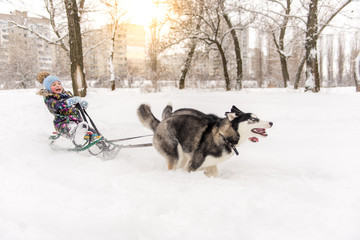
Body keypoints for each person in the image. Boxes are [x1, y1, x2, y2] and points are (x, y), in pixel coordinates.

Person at [37, 72, 91, 145]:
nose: (57, 86)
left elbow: (74, 101)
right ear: (48, 88)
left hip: (78, 122)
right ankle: (76, 137)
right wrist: (68, 102)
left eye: (59, 83)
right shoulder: (49, 99)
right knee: (72, 127)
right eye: (54, 85)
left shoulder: (67, 95)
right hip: (63, 123)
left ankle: (103, 144)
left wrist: (81, 103)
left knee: (90, 131)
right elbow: (56, 106)